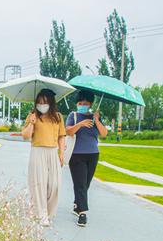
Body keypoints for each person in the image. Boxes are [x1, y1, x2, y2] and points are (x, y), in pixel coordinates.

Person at [21, 89, 66, 226]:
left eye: (45, 102)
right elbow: (25, 136)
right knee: (39, 184)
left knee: (55, 185)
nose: (42, 105)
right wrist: (32, 123)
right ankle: (41, 214)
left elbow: (61, 136)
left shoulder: (58, 117)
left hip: (52, 152)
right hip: (37, 151)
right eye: (39, 102)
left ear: (51, 103)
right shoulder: (32, 116)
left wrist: (61, 153)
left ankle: (48, 211)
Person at [65, 92, 108, 227]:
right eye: (80, 103)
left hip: (93, 154)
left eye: (85, 103)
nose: (82, 106)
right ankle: (82, 214)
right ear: (77, 104)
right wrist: (81, 124)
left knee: (86, 184)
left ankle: (77, 204)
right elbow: (68, 131)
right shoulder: (74, 116)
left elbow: (104, 134)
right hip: (77, 155)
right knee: (80, 184)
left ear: (90, 104)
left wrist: (97, 119)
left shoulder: (95, 118)